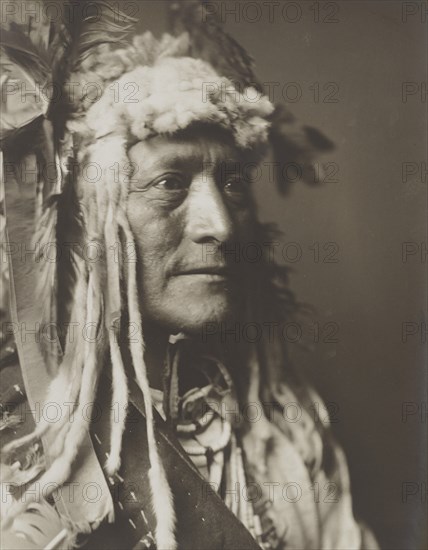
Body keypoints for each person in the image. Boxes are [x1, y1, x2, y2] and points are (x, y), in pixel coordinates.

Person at [0, 3, 378, 549]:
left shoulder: (278, 426)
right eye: (170, 184)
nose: (220, 225)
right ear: (85, 223)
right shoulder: (29, 449)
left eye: (230, 185)